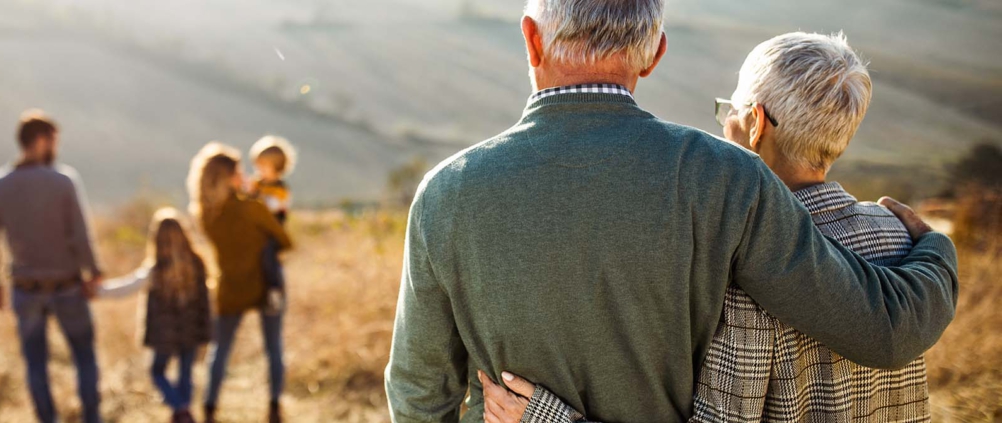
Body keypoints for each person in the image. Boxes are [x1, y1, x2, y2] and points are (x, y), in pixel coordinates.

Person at [383, 1, 959, 422]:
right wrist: (933, 247)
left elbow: (419, 392)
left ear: (531, 40)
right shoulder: (726, 177)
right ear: (654, 55)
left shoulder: (446, 191)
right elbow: (879, 327)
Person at [0, 109, 103, 423]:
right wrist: (94, 272)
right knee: (84, 357)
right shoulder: (63, 181)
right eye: (53, 140)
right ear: (41, 140)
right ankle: (92, 418)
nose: (55, 147)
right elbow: (80, 234)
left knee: (36, 364)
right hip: (68, 286)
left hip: (25, 288)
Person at [188, 142, 294, 423]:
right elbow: (284, 240)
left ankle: (209, 408)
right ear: (228, 176)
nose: (244, 174)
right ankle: (274, 407)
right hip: (266, 283)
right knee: (273, 347)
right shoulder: (252, 208)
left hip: (230, 286)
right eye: (238, 171)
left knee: (219, 350)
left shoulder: (206, 214)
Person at [98, 208, 212, 423]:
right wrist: (205, 330)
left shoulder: (156, 269)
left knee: (157, 371)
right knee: (185, 373)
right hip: (191, 331)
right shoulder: (197, 264)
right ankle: (183, 410)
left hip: (164, 335)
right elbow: (206, 302)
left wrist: (97, 291)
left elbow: (127, 287)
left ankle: (179, 409)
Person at [246, 135, 298, 315]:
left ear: (276, 167)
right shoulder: (257, 184)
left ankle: (274, 289)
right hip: (257, 232)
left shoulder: (281, 189)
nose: (258, 170)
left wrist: (256, 198)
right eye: (257, 165)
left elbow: (273, 207)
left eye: (263, 166)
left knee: (269, 255)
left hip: (273, 233)